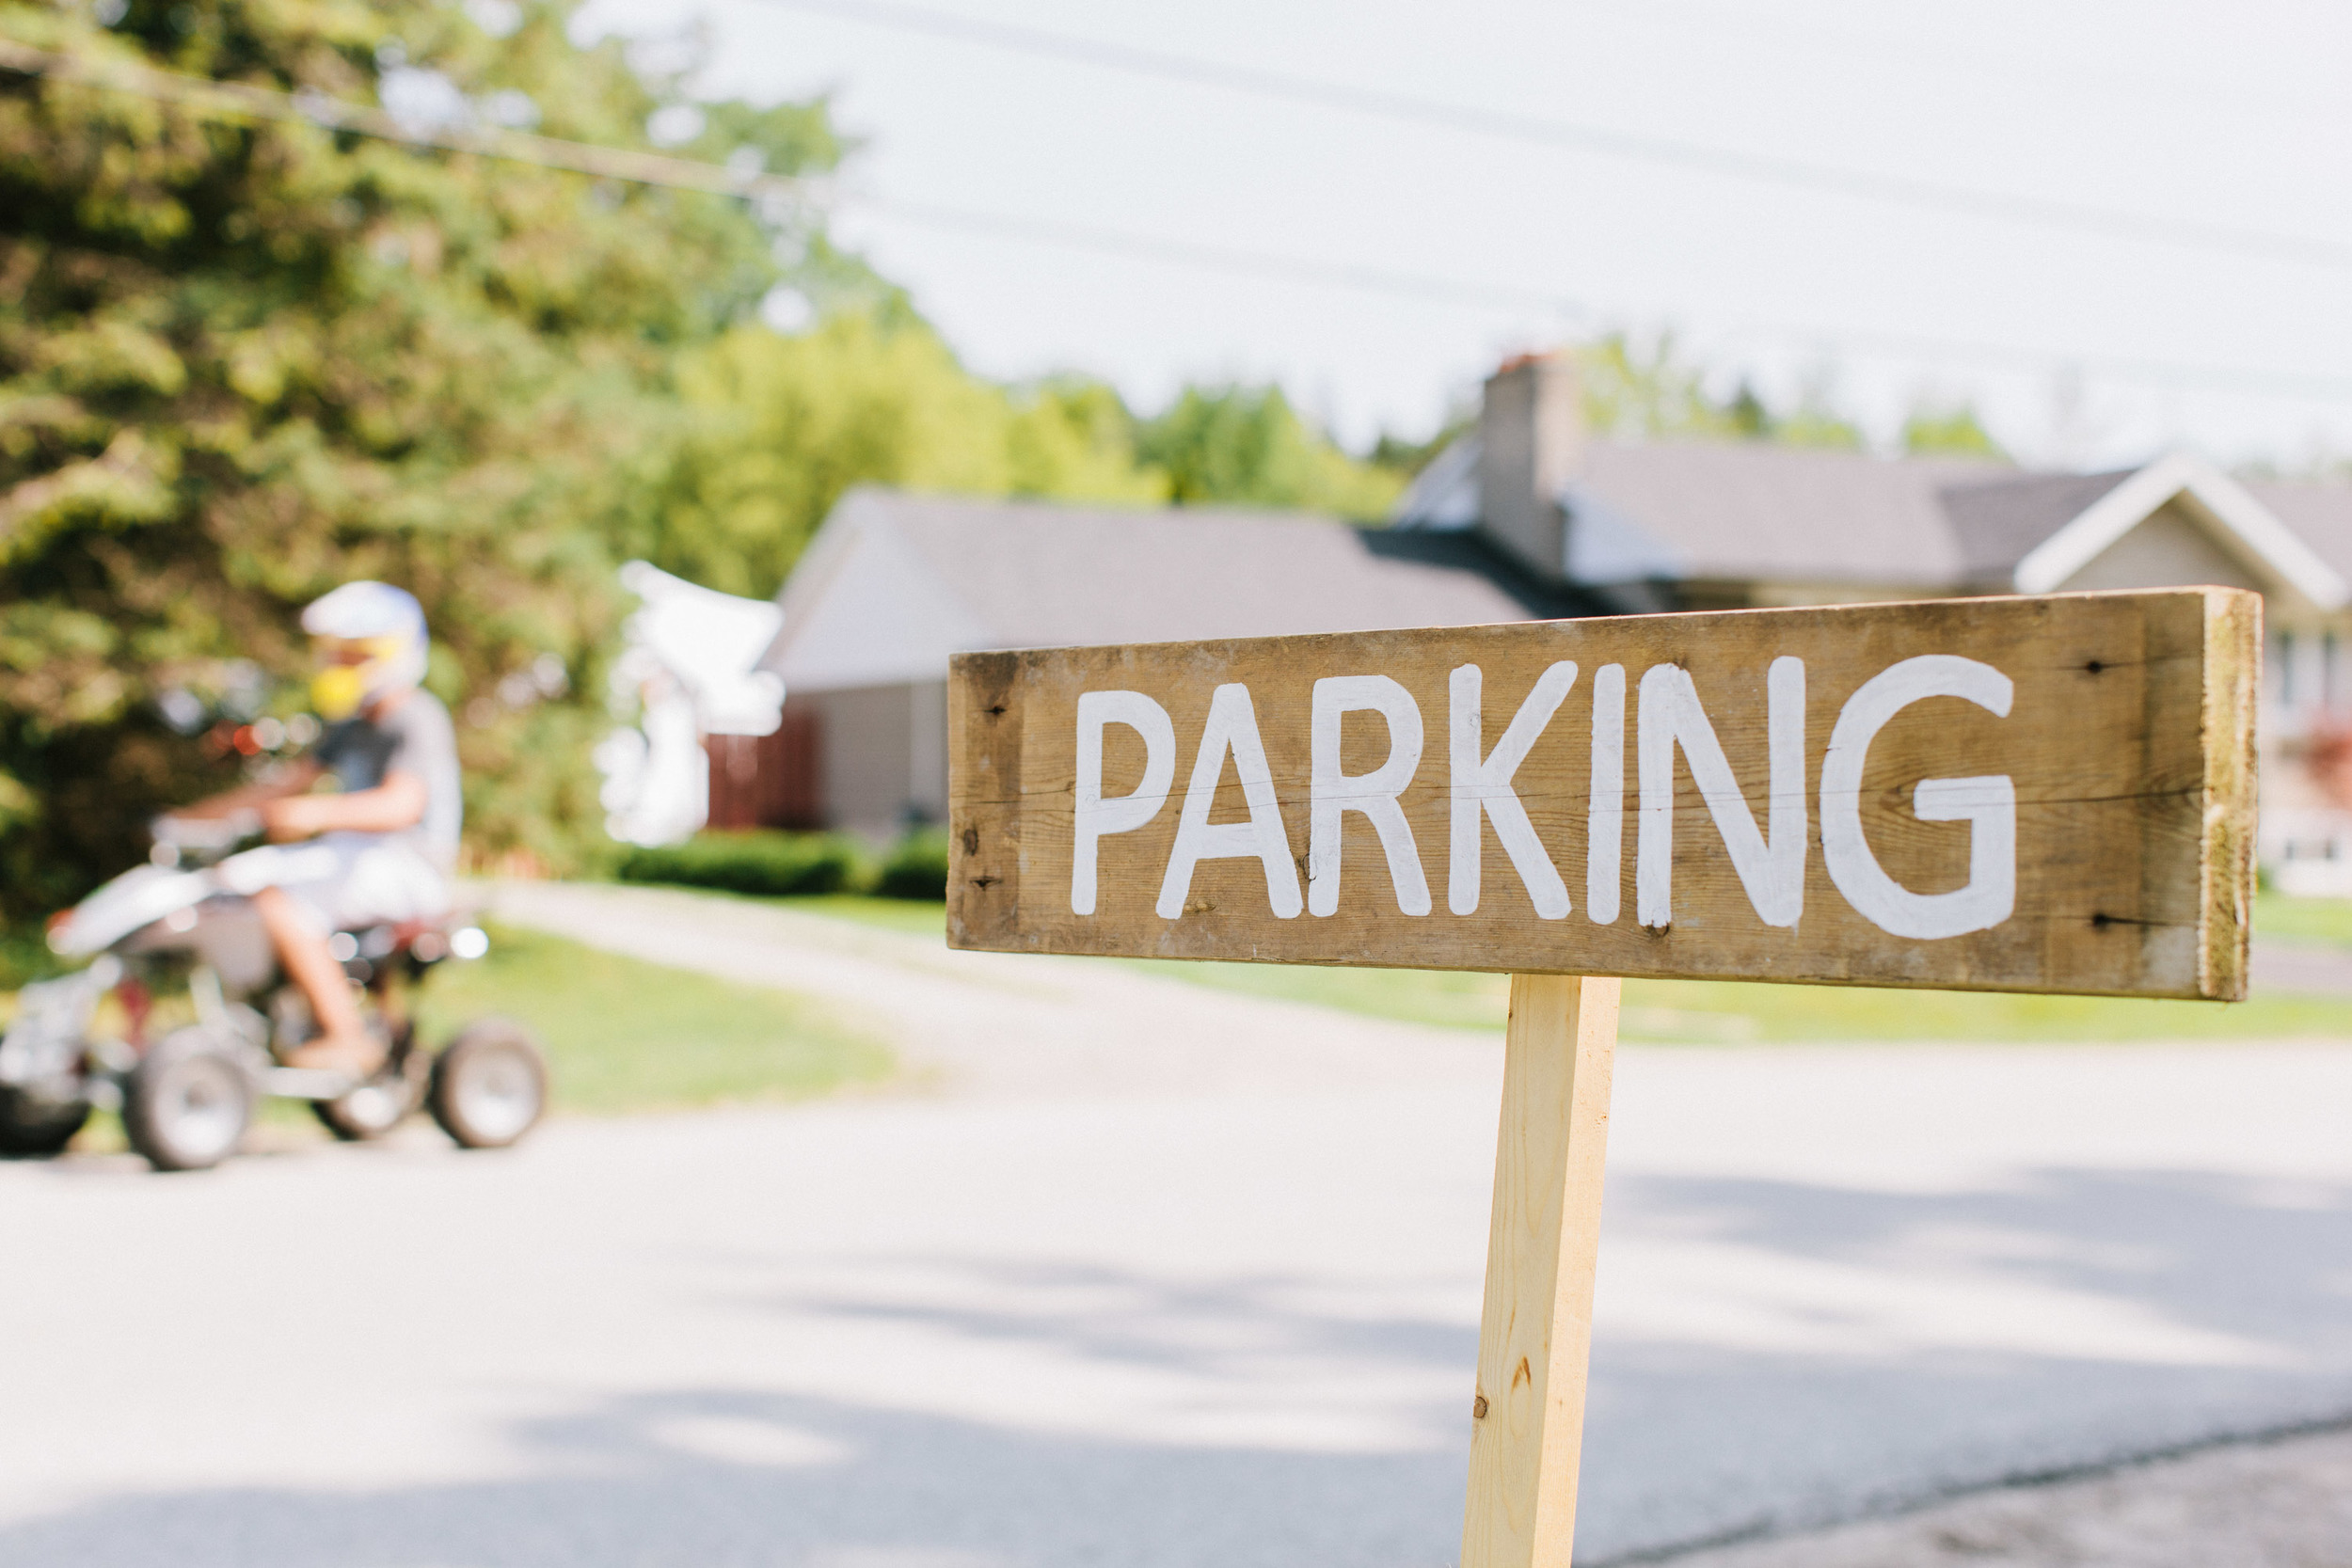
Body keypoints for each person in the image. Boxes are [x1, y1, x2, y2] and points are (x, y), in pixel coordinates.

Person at [171, 582, 463, 1075]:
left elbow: (401, 805)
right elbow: (280, 788)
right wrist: (188, 819)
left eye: (351, 656)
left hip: (410, 864)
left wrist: (314, 814)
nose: (337, 667)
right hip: (355, 857)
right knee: (228, 886)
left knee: (279, 899)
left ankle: (344, 1035)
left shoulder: (415, 717)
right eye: (335, 655)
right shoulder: (349, 726)